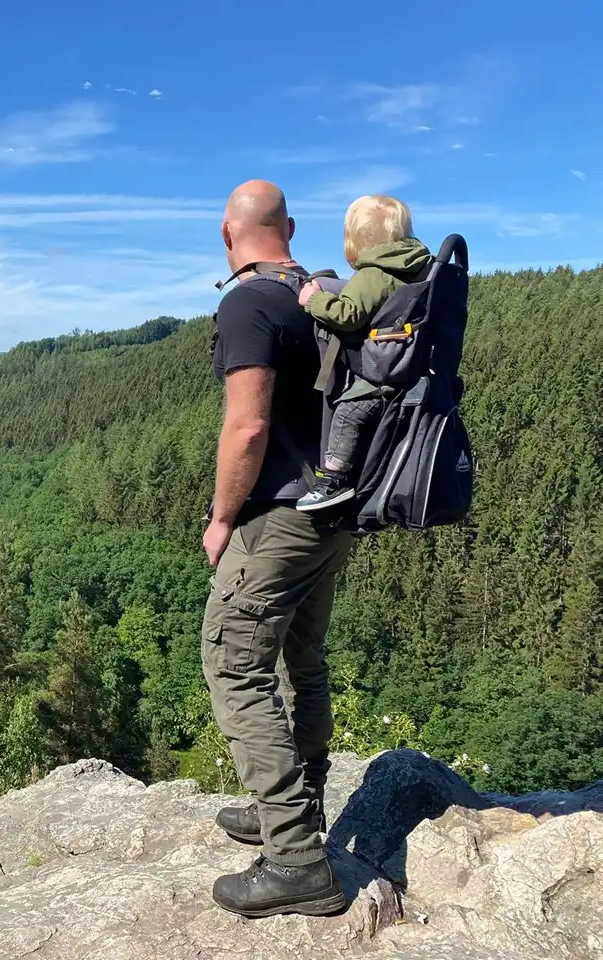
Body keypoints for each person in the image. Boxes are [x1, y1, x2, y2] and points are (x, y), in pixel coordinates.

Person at [202, 180, 354, 918]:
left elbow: (248, 427)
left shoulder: (247, 302)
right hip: (335, 512)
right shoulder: (328, 294)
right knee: (303, 659)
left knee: (234, 666)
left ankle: (295, 858)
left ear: (228, 235)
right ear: (288, 228)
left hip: (279, 517)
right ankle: (293, 807)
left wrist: (222, 517)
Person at [295, 195, 433, 511]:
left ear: (355, 243)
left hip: (382, 373)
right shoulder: (422, 271)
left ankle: (333, 481)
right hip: (413, 370)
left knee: (348, 413)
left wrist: (313, 301)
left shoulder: (372, 274)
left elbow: (347, 315)